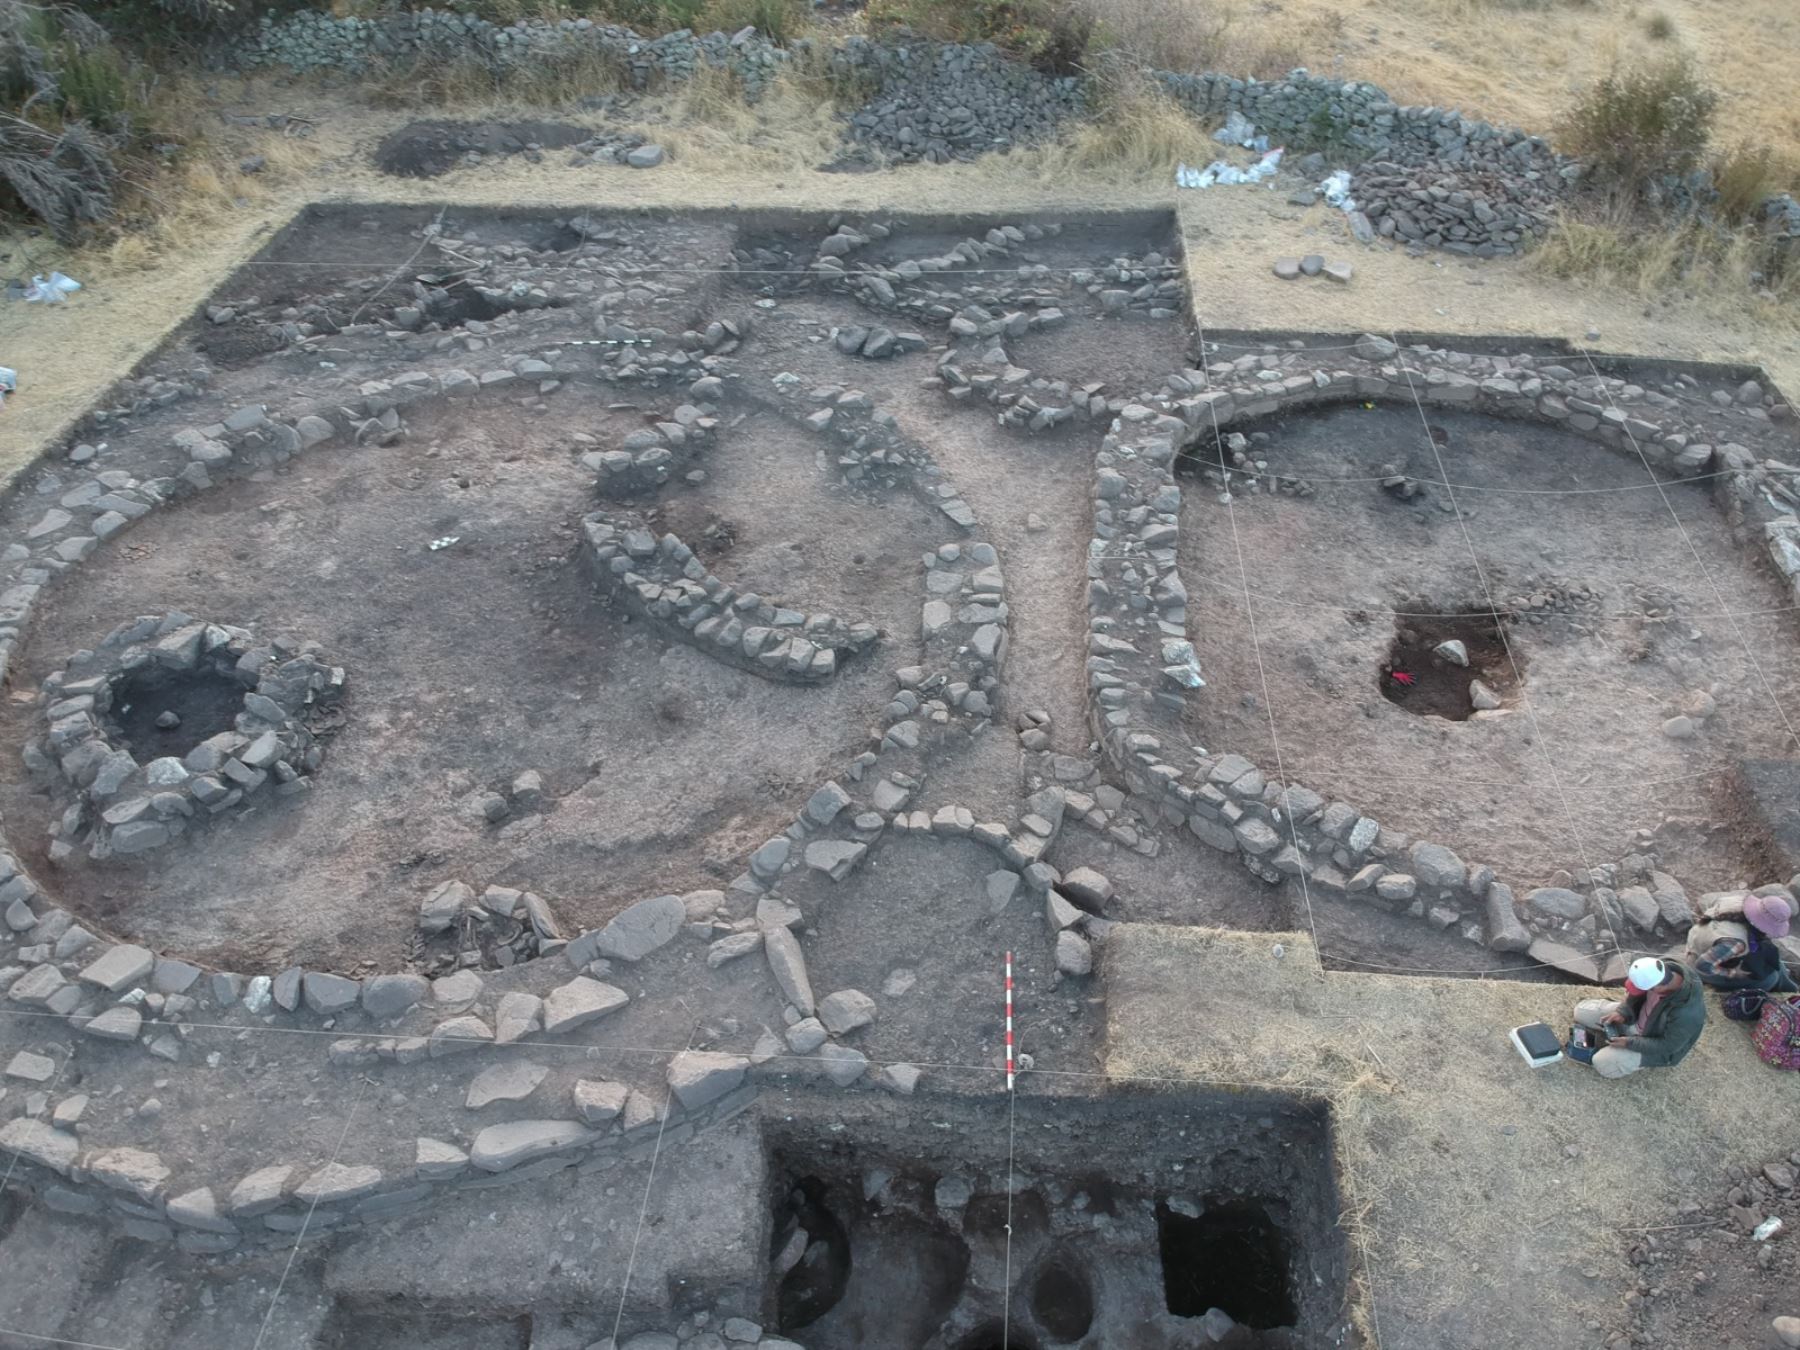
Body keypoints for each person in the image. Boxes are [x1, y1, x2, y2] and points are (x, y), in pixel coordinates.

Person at [1571, 957, 1706, 1079]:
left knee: (1601, 1063)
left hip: (1653, 1042)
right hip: (1636, 1018)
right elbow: (1635, 995)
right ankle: (1626, 1030)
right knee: (1580, 1012)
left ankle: (1631, 1057)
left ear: (1658, 986)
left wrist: (1629, 1043)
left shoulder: (1686, 1014)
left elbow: (1668, 1045)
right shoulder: (1658, 969)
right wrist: (1623, 1012)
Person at [1690, 892, 1798, 994]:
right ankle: (1788, 992)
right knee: (1770, 979)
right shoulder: (1733, 943)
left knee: (1776, 962)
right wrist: (1734, 973)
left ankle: (1792, 991)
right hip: (1699, 963)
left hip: (1706, 939)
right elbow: (1702, 966)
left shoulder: (1737, 902)